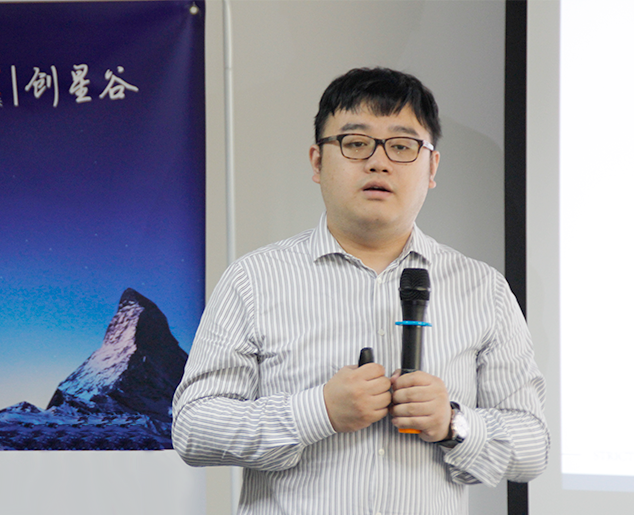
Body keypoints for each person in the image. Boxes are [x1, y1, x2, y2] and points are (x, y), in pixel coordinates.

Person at [172, 67, 549, 514]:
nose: (378, 162)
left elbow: (532, 445)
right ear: (317, 162)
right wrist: (318, 411)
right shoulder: (253, 279)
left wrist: (453, 422)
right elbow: (193, 428)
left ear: (431, 167)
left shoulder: (483, 289)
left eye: (402, 146)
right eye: (355, 143)